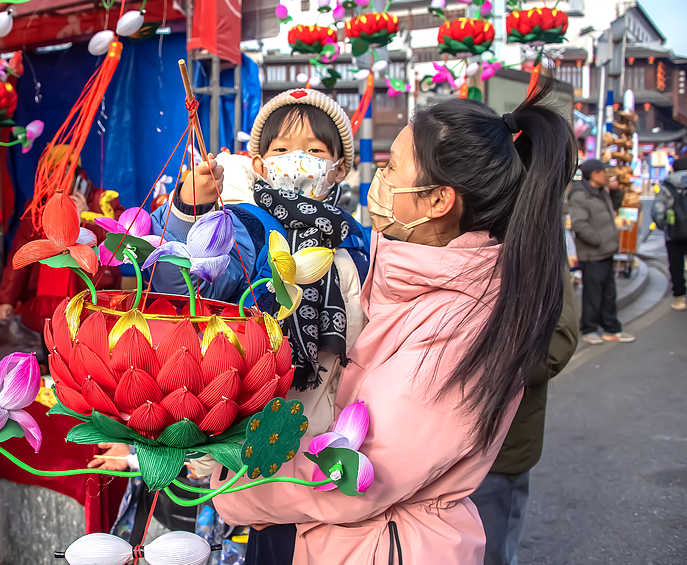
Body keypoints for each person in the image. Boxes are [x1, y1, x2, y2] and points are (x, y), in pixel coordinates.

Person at [209, 82, 577, 565]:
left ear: (437, 201)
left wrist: (233, 490)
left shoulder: (457, 324)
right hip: (336, 535)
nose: (380, 178)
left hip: (383, 545)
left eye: (392, 167)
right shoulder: (410, 273)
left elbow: (358, 479)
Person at [149, 89, 369, 565]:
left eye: (315, 151)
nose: (299, 161)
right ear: (261, 164)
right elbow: (187, 284)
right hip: (256, 444)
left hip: (333, 445)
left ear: (338, 169)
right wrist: (191, 214)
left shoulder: (355, 244)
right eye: (283, 150)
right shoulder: (245, 228)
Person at [469, 268, 578, 565]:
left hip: (498, 443)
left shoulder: (534, 236)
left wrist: (485, 370)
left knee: (492, 552)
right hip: (432, 446)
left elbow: (559, 339)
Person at [0, 148, 124, 335]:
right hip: (45, 305)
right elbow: (22, 255)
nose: (56, 179)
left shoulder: (103, 201)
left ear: (78, 175)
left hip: (92, 299)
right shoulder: (37, 210)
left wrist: (87, 217)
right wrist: (7, 299)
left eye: (64, 172)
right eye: (50, 174)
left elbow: (118, 241)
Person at [568, 159, 635, 344]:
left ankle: (611, 328)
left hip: (606, 252)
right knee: (593, 293)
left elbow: (615, 206)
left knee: (608, 292)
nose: (606, 175)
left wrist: (614, 190)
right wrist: (598, 241)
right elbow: (579, 224)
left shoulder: (601, 192)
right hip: (592, 253)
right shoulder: (580, 194)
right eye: (603, 172)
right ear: (595, 174)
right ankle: (589, 329)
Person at [651, 156, 687, 310]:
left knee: (676, 264)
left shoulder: (667, 185)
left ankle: (679, 298)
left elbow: (659, 210)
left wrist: (663, 225)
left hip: (674, 232)